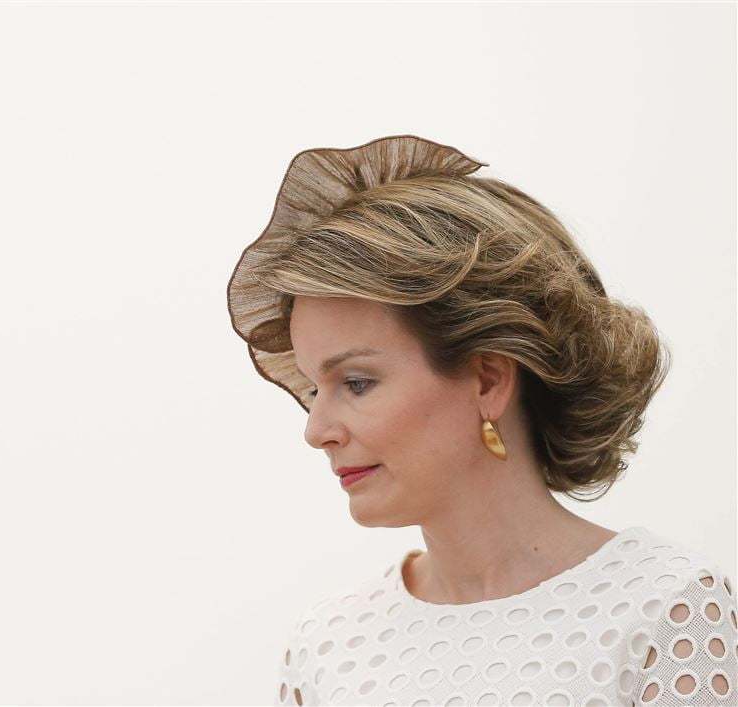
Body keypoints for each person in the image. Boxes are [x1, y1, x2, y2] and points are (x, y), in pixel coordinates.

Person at [226, 135, 737, 706]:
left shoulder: (663, 610)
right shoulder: (327, 646)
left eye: (357, 383)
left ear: (488, 380)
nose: (316, 430)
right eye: (313, 388)